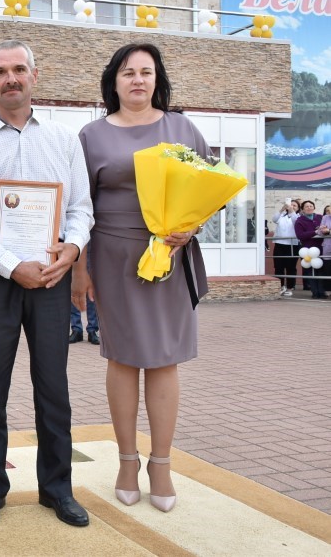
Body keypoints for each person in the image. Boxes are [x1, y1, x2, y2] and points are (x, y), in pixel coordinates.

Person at [0, 40, 94, 529]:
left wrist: (73, 248)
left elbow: (80, 208)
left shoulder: (64, 140)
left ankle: (57, 489)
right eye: (0, 71)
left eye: (18, 69)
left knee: (54, 386)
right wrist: (13, 266)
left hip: (51, 276)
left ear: (35, 75)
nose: (10, 78)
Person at [74, 43, 211, 514]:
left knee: (164, 359)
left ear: (157, 80)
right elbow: (78, 207)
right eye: (128, 72)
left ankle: (162, 464)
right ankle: (127, 461)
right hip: (113, 257)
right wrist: (80, 270)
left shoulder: (182, 128)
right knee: (122, 358)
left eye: (146, 72)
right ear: (114, 81)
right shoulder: (91, 135)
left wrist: (192, 226)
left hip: (169, 255)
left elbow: (210, 188)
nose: (137, 80)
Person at [295, 200, 326, 298]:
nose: (309, 208)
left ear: (314, 207)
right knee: (310, 271)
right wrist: (315, 232)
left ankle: (322, 292)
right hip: (307, 250)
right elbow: (300, 235)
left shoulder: (320, 217)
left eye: (311, 206)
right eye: (306, 206)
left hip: (321, 248)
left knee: (321, 271)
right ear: (302, 209)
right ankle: (315, 292)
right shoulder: (299, 221)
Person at [271, 199, 300, 296]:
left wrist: (291, 211)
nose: (292, 206)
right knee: (278, 267)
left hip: (292, 245)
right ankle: (281, 286)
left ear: (298, 208)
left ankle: (290, 287)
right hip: (279, 244)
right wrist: (282, 209)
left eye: (294, 205)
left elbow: (296, 221)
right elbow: (274, 219)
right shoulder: (282, 215)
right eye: (290, 205)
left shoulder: (298, 216)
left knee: (290, 267)